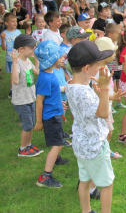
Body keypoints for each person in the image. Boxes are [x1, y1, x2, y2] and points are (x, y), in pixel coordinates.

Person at [66, 40, 117, 212]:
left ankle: (86, 210)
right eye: (98, 64)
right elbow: (102, 114)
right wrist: (103, 89)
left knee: (85, 180)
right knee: (107, 183)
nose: (101, 67)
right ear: (87, 68)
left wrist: (96, 93)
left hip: (81, 142)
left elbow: (88, 109)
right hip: (95, 145)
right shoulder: (84, 92)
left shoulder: (71, 85)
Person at [34, 40, 69, 188]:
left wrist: (58, 103)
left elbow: (50, 96)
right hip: (50, 117)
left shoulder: (51, 73)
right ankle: (45, 176)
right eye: (60, 56)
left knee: (59, 140)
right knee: (58, 143)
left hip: (55, 112)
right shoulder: (45, 78)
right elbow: (39, 101)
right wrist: (39, 122)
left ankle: (56, 157)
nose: (63, 59)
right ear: (51, 59)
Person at [94, 37, 126, 158]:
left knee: (107, 131)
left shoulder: (105, 68)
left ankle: (105, 151)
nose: (114, 54)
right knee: (107, 131)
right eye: (112, 52)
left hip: (107, 106)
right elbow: (98, 91)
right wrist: (113, 97)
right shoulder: (98, 71)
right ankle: (104, 153)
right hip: (102, 107)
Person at [11, 34, 41, 157]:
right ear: (21, 49)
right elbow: (15, 81)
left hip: (30, 98)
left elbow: (37, 72)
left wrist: (37, 60)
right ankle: (22, 149)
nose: (33, 50)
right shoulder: (18, 63)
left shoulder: (27, 61)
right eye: (31, 48)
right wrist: (14, 63)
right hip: (21, 101)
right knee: (27, 126)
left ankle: (28, 145)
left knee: (31, 123)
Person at [105, 23, 126, 112]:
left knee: (119, 85)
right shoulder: (107, 43)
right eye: (117, 34)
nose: (119, 35)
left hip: (119, 67)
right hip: (111, 69)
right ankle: (111, 106)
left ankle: (119, 102)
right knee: (112, 86)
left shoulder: (118, 42)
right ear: (110, 34)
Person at [1, 13, 22, 98]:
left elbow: (22, 44)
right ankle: (12, 91)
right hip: (11, 58)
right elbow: (3, 48)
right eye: (12, 21)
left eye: (15, 21)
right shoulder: (4, 34)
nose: (15, 23)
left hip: (21, 57)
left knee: (23, 72)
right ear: (6, 23)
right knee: (14, 74)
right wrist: (2, 39)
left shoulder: (18, 32)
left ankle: (24, 88)